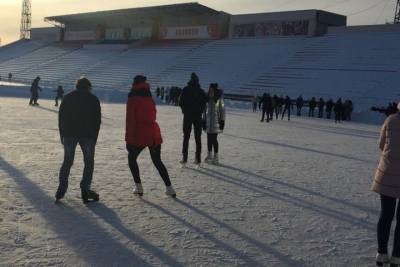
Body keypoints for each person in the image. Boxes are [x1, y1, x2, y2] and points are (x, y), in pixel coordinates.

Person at [125, 75, 176, 197]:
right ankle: (170, 188)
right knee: (157, 161)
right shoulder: (149, 97)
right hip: (153, 132)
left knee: (132, 159)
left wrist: (128, 139)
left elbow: (130, 121)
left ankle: (139, 187)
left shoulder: (132, 99)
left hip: (140, 134)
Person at [56, 77, 101, 204]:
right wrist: (94, 137)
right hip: (87, 135)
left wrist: (62, 134)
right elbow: (97, 120)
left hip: (69, 134)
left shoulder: (68, 97)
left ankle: (61, 188)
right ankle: (85, 190)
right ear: (88, 86)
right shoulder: (93, 99)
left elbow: (61, 117)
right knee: (89, 163)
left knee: (67, 162)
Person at [372, 103, 400, 267]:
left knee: (386, 215)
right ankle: (397, 256)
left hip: (388, 173)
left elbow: (381, 145)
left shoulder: (390, 120)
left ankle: (382, 254)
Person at [179, 73, 207, 165]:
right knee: (198, 137)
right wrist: (200, 110)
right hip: (197, 116)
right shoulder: (201, 91)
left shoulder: (186, 89)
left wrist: (184, 110)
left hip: (188, 116)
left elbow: (180, 102)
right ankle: (198, 158)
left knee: (186, 137)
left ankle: (184, 157)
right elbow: (205, 103)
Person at [203, 83, 225, 165]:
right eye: (210, 90)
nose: (211, 91)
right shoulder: (207, 99)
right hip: (208, 123)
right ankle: (209, 155)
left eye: (212, 90)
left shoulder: (220, 99)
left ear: (215, 91)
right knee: (209, 139)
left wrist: (222, 121)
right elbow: (204, 111)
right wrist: (203, 121)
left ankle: (216, 157)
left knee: (214, 139)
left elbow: (223, 111)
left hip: (216, 123)